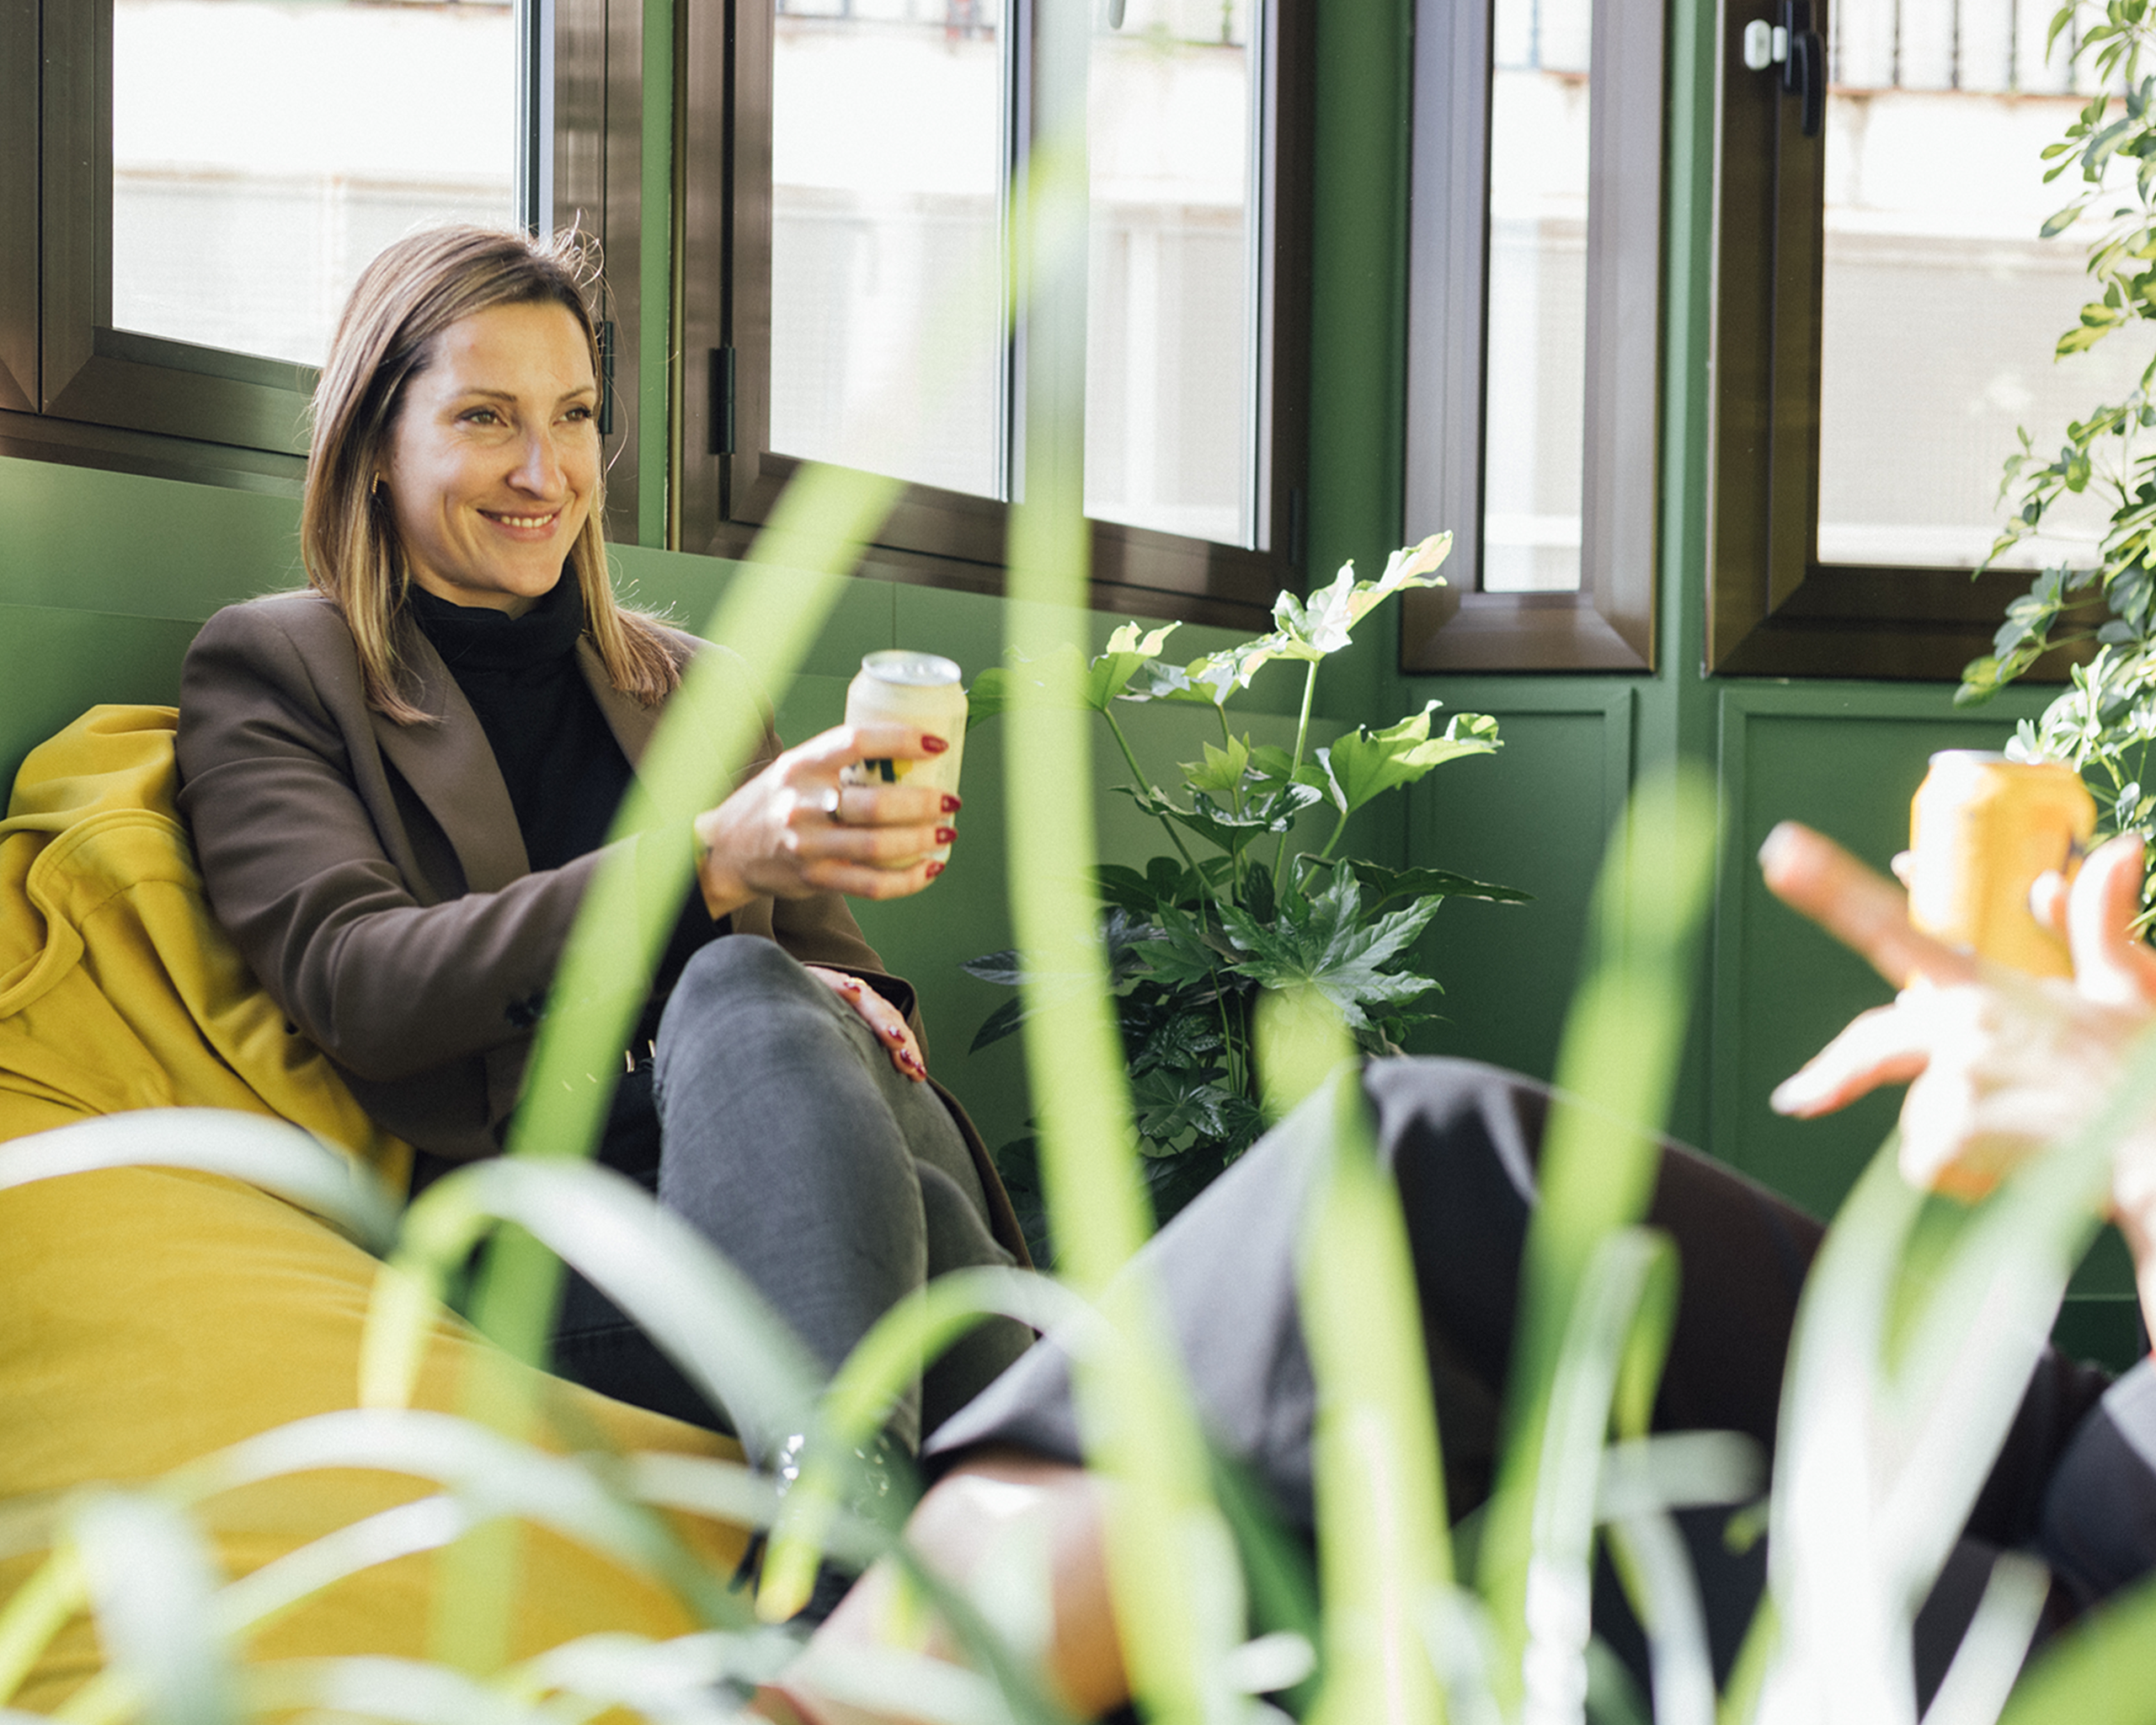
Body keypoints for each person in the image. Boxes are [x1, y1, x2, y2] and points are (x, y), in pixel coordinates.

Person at [746, 823, 2156, 1725]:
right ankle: (870, 1655)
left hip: (2109, 1628)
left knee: (1393, 1525)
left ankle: (844, 1670)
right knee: (1432, 1154)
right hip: (2102, 1453)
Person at [173, 225, 1033, 1462]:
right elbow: (362, 983)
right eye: (484, 419)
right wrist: (707, 864)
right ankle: (1060, 1527)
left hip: (787, 1192)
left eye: (573, 416)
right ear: (371, 446)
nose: (545, 470)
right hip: (552, 1255)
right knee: (930, 1232)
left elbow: (836, 977)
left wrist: (859, 987)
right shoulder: (281, 669)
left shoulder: (698, 689)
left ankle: (838, 1539)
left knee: (766, 993)